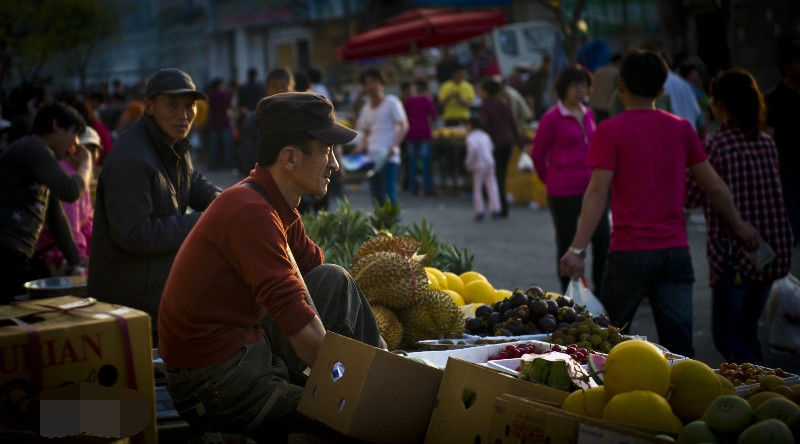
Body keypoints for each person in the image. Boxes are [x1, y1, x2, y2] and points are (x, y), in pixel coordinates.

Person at [157, 92, 385, 441]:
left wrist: (383, 360)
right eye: (326, 151)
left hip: (249, 346)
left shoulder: (272, 200)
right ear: (290, 158)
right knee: (345, 420)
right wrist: (347, 392)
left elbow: (316, 275)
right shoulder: (252, 212)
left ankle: (389, 377)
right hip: (214, 378)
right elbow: (302, 326)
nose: (335, 165)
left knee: (334, 279)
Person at [558, 51, 760, 358]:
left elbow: (597, 193)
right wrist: (740, 225)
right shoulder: (681, 129)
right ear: (662, 90)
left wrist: (576, 250)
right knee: (679, 349)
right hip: (675, 254)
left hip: (629, 255)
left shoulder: (610, 131)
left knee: (607, 341)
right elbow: (715, 187)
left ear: (621, 87)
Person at [88, 68, 222, 344]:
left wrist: (225, 201)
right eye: (172, 105)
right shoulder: (132, 159)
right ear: (149, 106)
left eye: (189, 106)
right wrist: (201, 221)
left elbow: (189, 180)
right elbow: (133, 233)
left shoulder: (171, 142)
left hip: (158, 284)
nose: (183, 114)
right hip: (132, 298)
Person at [685, 69, 794, 364]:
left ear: (721, 104)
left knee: (726, 336)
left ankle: (767, 382)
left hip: (735, 256)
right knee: (747, 330)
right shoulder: (765, 142)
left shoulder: (716, 145)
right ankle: (764, 387)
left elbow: (691, 195)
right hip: (772, 250)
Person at [0, 102, 92, 303]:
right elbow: (70, 191)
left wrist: (76, 262)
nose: (75, 144)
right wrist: (86, 164)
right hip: (6, 248)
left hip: (18, 252)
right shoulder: (33, 148)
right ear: (57, 125)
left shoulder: (41, 156)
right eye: (74, 134)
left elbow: (56, 217)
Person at [532, 64, 609, 294]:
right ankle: (568, 293)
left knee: (603, 239)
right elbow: (537, 154)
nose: (580, 90)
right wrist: (552, 180)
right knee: (566, 242)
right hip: (562, 191)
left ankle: (601, 290)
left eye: (584, 85)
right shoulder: (552, 118)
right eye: (575, 86)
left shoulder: (590, 114)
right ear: (563, 88)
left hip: (592, 189)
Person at [32, 127, 102, 277]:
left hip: (71, 250)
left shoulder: (82, 175)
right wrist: (81, 258)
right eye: (85, 149)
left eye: (94, 149)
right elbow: (71, 226)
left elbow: (87, 223)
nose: (90, 155)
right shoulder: (66, 173)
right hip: (54, 255)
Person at [353, 68, 408, 206]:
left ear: (382, 83)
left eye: (374, 81)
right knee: (376, 199)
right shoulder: (366, 108)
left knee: (388, 197)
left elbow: (403, 125)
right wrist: (359, 148)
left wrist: (394, 145)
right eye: (367, 83)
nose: (371, 86)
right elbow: (365, 133)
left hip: (389, 158)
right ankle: (380, 228)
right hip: (371, 158)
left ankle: (394, 227)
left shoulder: (392, 102)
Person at [765, 33, 800, 249]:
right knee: (792, 232)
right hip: (788, 177)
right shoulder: (772, 99)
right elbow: (767, 137)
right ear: (786, 66)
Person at [478, 77, 524, 218]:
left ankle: (499, 208)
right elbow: (513, 123)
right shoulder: (504, 103)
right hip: (508, 143)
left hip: (495, 144)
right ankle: (501, 207)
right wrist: (519, 141)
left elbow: (486, 127)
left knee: (496, 177)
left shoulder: (485, 106)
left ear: (486, 91)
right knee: (501, 175)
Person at [403, 79, 437, 196]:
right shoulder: (427, 100)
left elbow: (404, 117)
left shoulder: (408, 101)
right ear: (425, 90)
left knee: (412, 162)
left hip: (410, 134)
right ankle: (428, 188)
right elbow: (434, 116)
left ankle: (414, 187)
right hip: (424, 133)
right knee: (425, 162)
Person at [464, 116, 501, 221]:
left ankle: (480, 211)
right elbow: (491, 147)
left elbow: (473, 150)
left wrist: (468, 162)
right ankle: (495, 209)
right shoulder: (485, 135)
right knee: (492, 186)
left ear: (471, 126)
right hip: (490, 162)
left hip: (479, 165)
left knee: (477, 188)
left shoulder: (471, 137)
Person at [204, 78, 236, 171]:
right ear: (220, 85)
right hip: (225, 122)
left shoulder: (209, 95)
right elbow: (231, 106)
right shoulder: (225, 94)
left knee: (213, 146)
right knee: (227, 146)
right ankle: (229, 165)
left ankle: (213, 165)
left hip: (213, 123)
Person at [588, 53, 621, 122]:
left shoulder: (598, 71)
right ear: (618, 62)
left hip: (594, 106)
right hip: (608, 108)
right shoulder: (616, 73)